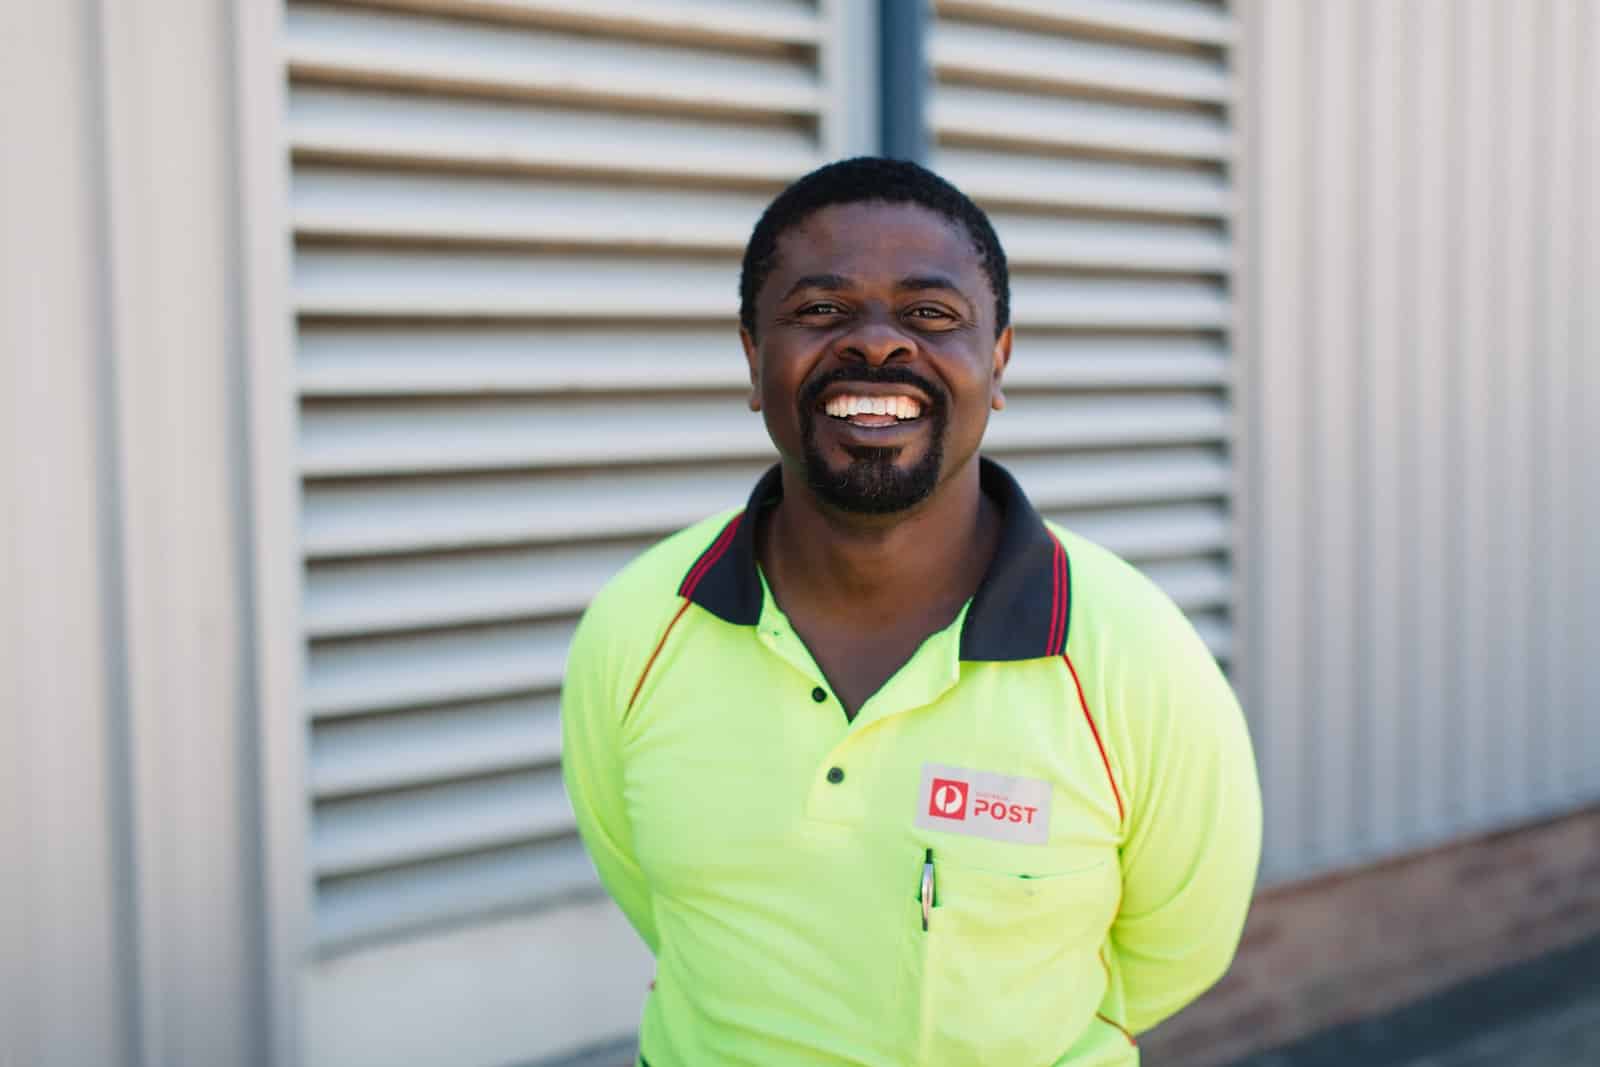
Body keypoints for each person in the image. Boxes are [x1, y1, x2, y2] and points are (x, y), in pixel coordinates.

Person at [561, 157, 1262, 1066]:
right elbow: (658, 902)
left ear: (998, 360)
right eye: (820, 311)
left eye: (932, 315)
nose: (879, 346)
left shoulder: (1133, 652)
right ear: (752, 355)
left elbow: (1176, 951)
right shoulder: (637, 627)